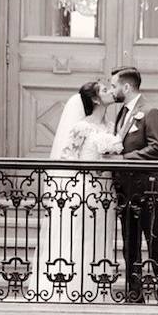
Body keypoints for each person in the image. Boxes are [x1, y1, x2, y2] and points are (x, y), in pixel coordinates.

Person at [26, 80, 123, 301]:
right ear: (96, 99)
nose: (111, 91)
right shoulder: (81, 127)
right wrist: (92, 169)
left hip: (105, 193)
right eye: (105, 90)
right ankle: (71, 289)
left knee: (99, 237)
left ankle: (96, 290)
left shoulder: (110, 127)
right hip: (84, 189)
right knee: (80, 236)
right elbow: (67, 158)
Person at [109, 66, 158, 303]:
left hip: (147, 188)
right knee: (130, 243)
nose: (112, 90)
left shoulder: (150, 111)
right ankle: (134, 294)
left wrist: (123, 159)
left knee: (155, 241)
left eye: (114, 85)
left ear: (126, 87)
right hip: (126, 191)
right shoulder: (121, 113)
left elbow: (157, 148)